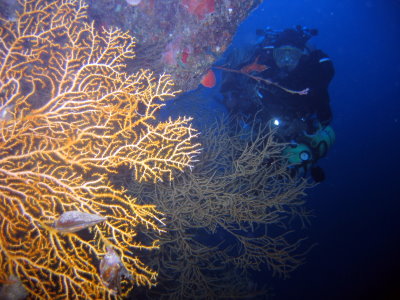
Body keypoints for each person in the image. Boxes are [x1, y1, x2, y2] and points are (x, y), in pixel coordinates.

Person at [220, 25, 335, 182]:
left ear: (301, 55)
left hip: (295, 123)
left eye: (293, 55)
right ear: (274, 54)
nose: (287, 60)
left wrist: (308, 121)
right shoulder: (264, 69)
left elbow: (322, 105)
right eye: (281, 55)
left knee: (320, 141)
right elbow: (239, 81)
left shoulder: (311, 74)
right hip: (267, 120)